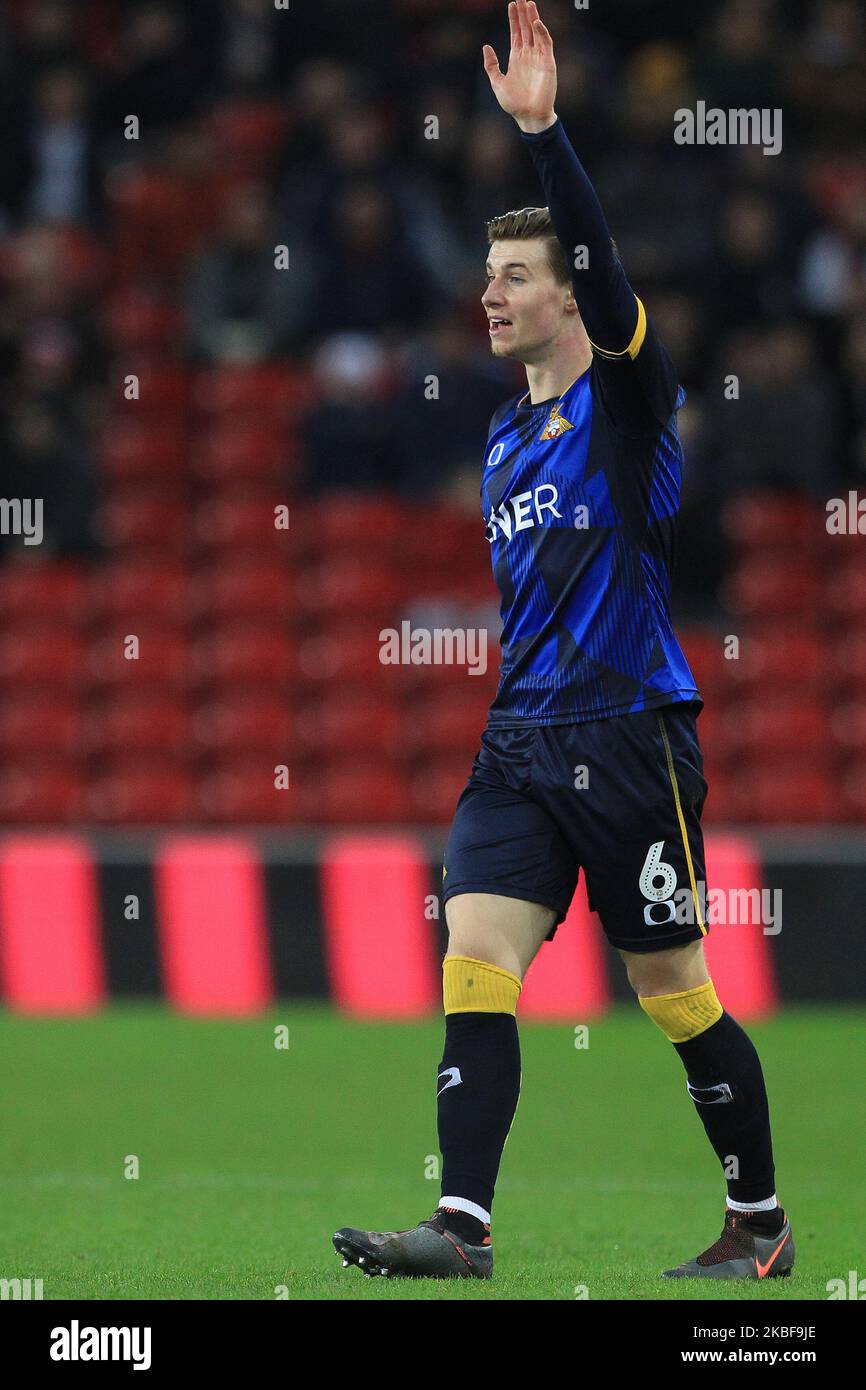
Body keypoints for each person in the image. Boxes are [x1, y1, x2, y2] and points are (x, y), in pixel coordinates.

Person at [333, 0, 793, 1283]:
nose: (491, 293)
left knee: (669, 990)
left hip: (629, 731)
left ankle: (756, 1217)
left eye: (516, 276)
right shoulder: (498, 437)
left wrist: (542, 138)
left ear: (570, 298)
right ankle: (462, 1227)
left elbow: (596, 264)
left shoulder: (627, 406)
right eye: (487, 276)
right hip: (519, 740)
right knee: (472, 956)